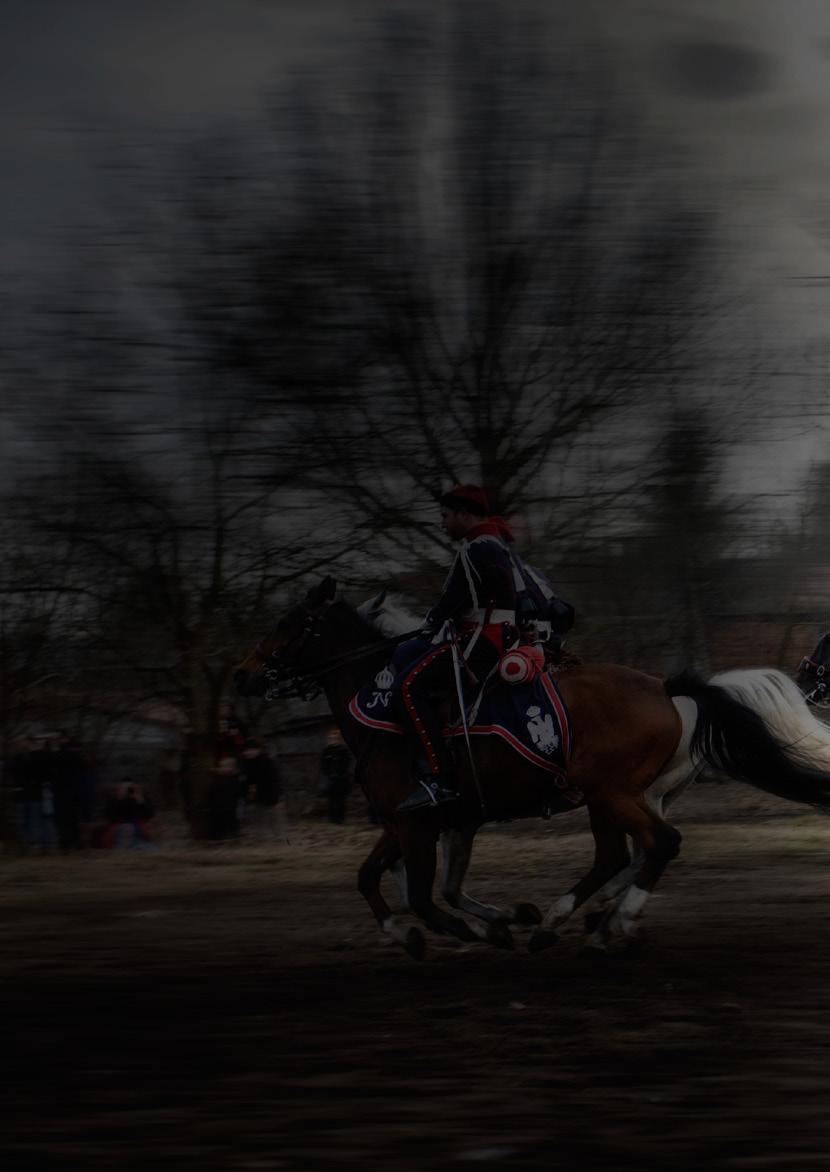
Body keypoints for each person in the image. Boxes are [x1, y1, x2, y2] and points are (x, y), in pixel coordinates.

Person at [394, 484, 520, 811]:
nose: (442, 523)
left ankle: (440, 777)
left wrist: (428, 625)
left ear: (464, 514)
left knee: (409, 686)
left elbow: (454, 600)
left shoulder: (475, 548)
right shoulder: (497, 543)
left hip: (482, 640)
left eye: (445, 516)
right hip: (502, 635)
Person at [240, 738, 287, 840]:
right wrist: (248, 792)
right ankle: (261, 835)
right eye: (246, 750)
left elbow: (276, 779)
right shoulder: (247, 763)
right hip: (258, 793)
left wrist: (278, 796)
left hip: (271, 791)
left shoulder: (267, 761)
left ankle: (280, 836)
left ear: (257, 750)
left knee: (275, 815)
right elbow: (248, 780)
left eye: (250, 750)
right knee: (258, 814)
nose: (247, 752)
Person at [318, 729, 353, 824]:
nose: (332, 740)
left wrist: (341, 774)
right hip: (329, 779)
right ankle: (331, 818)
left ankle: (340, 819)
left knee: (340, 800)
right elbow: (323, 765)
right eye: (330, 738)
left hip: (341, 780)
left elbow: (347, 764)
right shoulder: (326, 751)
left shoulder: (344, 751)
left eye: (334, 738)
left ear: (339, 739)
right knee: (331, 800)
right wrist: (327, 774)